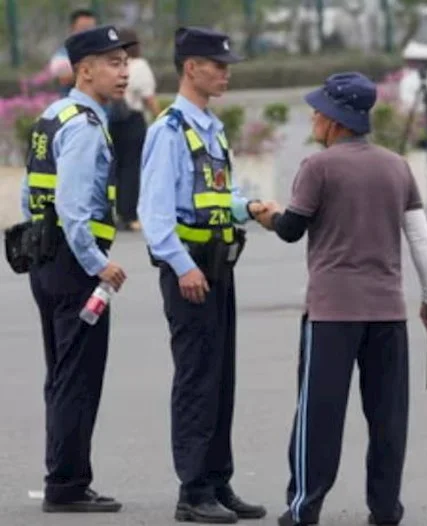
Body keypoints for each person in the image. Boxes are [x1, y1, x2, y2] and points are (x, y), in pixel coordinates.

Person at [254, 72, 427, 526]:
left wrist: (267, 214)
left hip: (331, 315)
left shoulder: (317, 168)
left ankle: (304, 509)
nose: (314, 116)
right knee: (387, 419)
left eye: (318, 110)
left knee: (318, 417)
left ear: (336, 120)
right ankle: (384, 510)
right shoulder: (397, 166)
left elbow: (291, 230)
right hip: (387, 314)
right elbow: (420, 240)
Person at [137, 26, 267, 524]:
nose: (226, 71)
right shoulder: (168, 130)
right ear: (191, 67)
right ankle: (192, 491)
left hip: (217, 268)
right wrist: (183, 266)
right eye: (218, 64)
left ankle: (218, 480)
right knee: (196, 380)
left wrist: (247, 207)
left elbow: (208, 199)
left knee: (220, 379)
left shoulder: (209, 127)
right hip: (189, 272)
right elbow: (154, 214)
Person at [20, 24, 134, 513]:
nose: (124, 71)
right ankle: (66, 484)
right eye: (113, 63)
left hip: (45, 260)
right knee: (77, 377)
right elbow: (72, 206)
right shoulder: (85, 126)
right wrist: (99, 263)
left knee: (62, 373)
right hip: (73, 267)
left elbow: (31, 194)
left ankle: (64, 478)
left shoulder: (52, 116)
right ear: (84, 71)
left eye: (125, 61)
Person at [108, 27, 160, 231]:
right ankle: (129, 214)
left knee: (117, 168)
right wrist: (161, 117)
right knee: (132, 168)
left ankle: (116, 212)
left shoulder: (113, 66)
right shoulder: (139, 66)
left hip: (113, 120)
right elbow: (148, 97)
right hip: (133, 120)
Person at [49, 9, 97, 97]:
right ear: (72, 29)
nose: (88, 32)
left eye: (92, 28)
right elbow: (64, 77)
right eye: (83, 28)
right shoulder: (63, 55)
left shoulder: (101, 51)